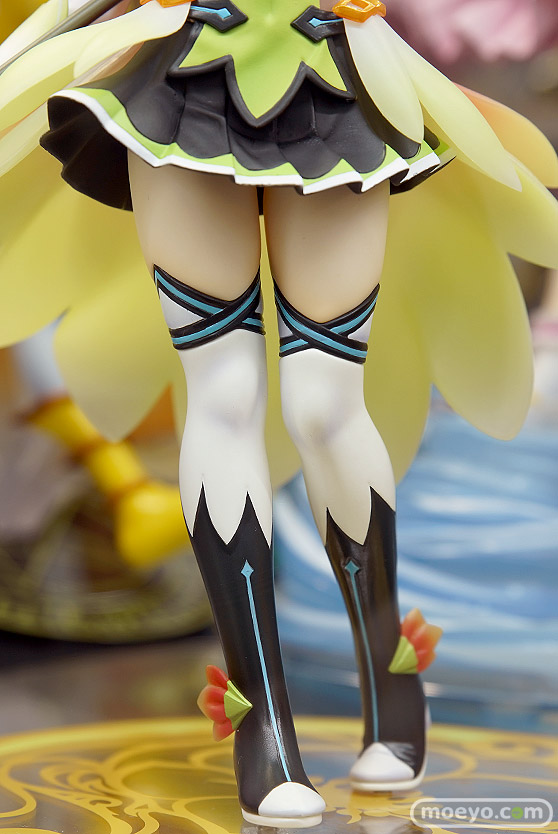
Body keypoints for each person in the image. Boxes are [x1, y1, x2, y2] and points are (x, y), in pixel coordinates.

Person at [0, 0, 557, 827]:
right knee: (221, 393)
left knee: (325, 401)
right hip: (180, 65)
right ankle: (259, 721)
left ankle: (390, 679)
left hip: (331, 68)